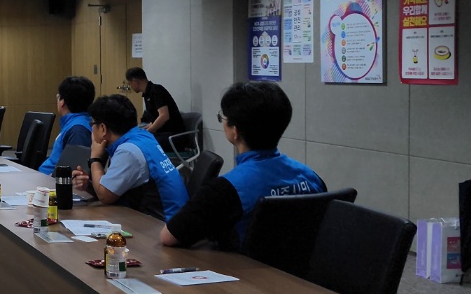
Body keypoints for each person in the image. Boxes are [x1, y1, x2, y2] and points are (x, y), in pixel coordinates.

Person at [161, 81, 327, 249]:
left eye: (223, 118)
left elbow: (169, 236)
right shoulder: (312, 178)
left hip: (243, 266)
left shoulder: (224, 189)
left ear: (235, 131)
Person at [72, 94, 188, 221]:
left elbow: (105, 196)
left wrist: (95, 159)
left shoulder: (128, 151)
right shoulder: (143, 136)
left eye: (92, 123)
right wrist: (89, 186)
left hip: (161, 223)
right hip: (169, 218)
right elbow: (115, 189)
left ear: (103, 128)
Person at [38, 76, 95, 176]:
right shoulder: (76, 123)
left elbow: (74, 172)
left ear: (62, 102)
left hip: (50, 182)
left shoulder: (78, 130)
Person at [125, 67, 186, 145]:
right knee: (135, 137)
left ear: (135, 81)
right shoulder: (147, 94)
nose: (130, 86)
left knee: (142, 142)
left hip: (173, 135)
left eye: (129, 83)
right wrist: (146, 128)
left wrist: (148, 132)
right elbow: (155, 119)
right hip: (164, 133)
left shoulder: (156, 90)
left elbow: (164, 116)